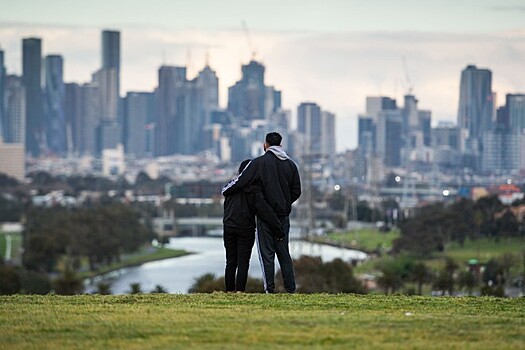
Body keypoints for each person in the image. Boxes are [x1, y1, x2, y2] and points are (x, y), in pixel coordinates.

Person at [222, 132, 301, 293]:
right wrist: (285, 204)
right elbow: (296, 191)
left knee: (267, 256)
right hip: (283, 217)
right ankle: (290, 289)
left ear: (265, 144)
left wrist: (226, 190)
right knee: (284, 253)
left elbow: (241, 181)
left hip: (265, 218)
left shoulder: (258, 163)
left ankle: (269, 290)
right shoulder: (291, 165)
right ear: (281, 144)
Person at [222, 159, 283, 292]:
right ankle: (239, 291)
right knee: (243, 262)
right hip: (246, 229)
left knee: (230, 261)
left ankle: (229, 291)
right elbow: (266, 212)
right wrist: (278, 230)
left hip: (229, 227)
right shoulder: (254, 191)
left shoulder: (230, 189)